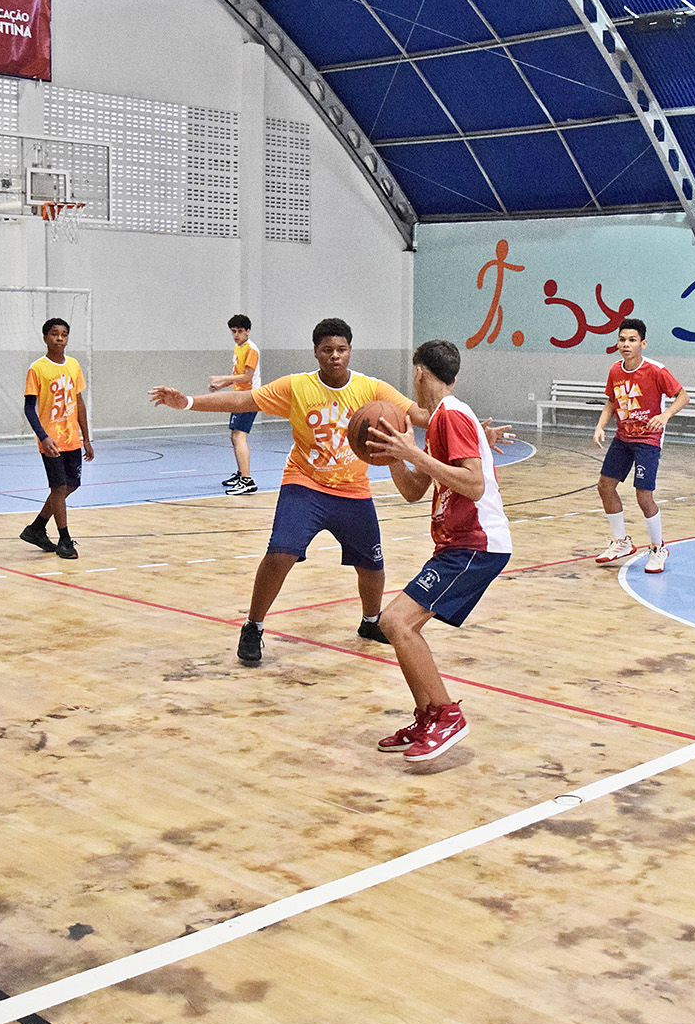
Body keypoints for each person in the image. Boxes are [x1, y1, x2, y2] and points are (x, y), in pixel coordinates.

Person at [149, 318, 427, 664]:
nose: (335, 356)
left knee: (372, 565)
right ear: (316, 352)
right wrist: (188, 402)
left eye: (341, 349)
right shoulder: (296, 387)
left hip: (353, 488)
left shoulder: (372, 390)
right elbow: (243, 400)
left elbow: (418, 415)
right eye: (327, 350)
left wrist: (469, 428)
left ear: (350, 351)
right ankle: (253, 625)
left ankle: (370, 622)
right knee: (280, 554)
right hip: (305, 484)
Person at [362, 340, 510, 762]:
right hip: (456, 543)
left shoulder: (451, 415)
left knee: (396, 622)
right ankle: (428, 715)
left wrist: (412, 452)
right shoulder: (444, 419)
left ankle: (447, 716)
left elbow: (474, 484)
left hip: (476, 544)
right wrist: (394, 457)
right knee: (399, 626)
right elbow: (414, 490)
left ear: (419, 373)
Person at [591, 318, 689, 574]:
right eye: (622, 339)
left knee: (643, 496)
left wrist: (665, 416)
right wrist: (600, 426)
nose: (626, 344)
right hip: (623, 437)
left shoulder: (656, 370)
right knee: (605, 486)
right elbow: (612, 402)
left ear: (643, 343)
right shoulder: (615, 370)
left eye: (632, 340)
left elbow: (683, 396)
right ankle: (621, 541)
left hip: (648, 440)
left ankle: (658, 548)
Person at [19, 318, 93, 559]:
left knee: (72, 485)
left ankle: (37, 528)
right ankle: (64, 539)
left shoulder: (73, 365)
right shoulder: (37, 368)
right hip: (51, 441)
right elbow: (29, 408)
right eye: (54, 334)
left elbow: (79, 403)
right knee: (59, 488)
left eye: (64, 334)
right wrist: (43, 437)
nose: (59, 338)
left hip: (73, 439)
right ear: (45, 338)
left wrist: (86, 438)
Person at [209, 314, 261, 496]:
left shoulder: (251, 349)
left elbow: (247, 377)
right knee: (234, 436)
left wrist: (222, 378)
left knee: (239, 436)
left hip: (249, 397)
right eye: (233, 331)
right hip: (239, 396)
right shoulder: (238, 348)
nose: (236, 335)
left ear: (247, 331)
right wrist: (221, 385)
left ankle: (247, 480)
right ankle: (241, 473)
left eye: (240, 331)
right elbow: (237, 377)